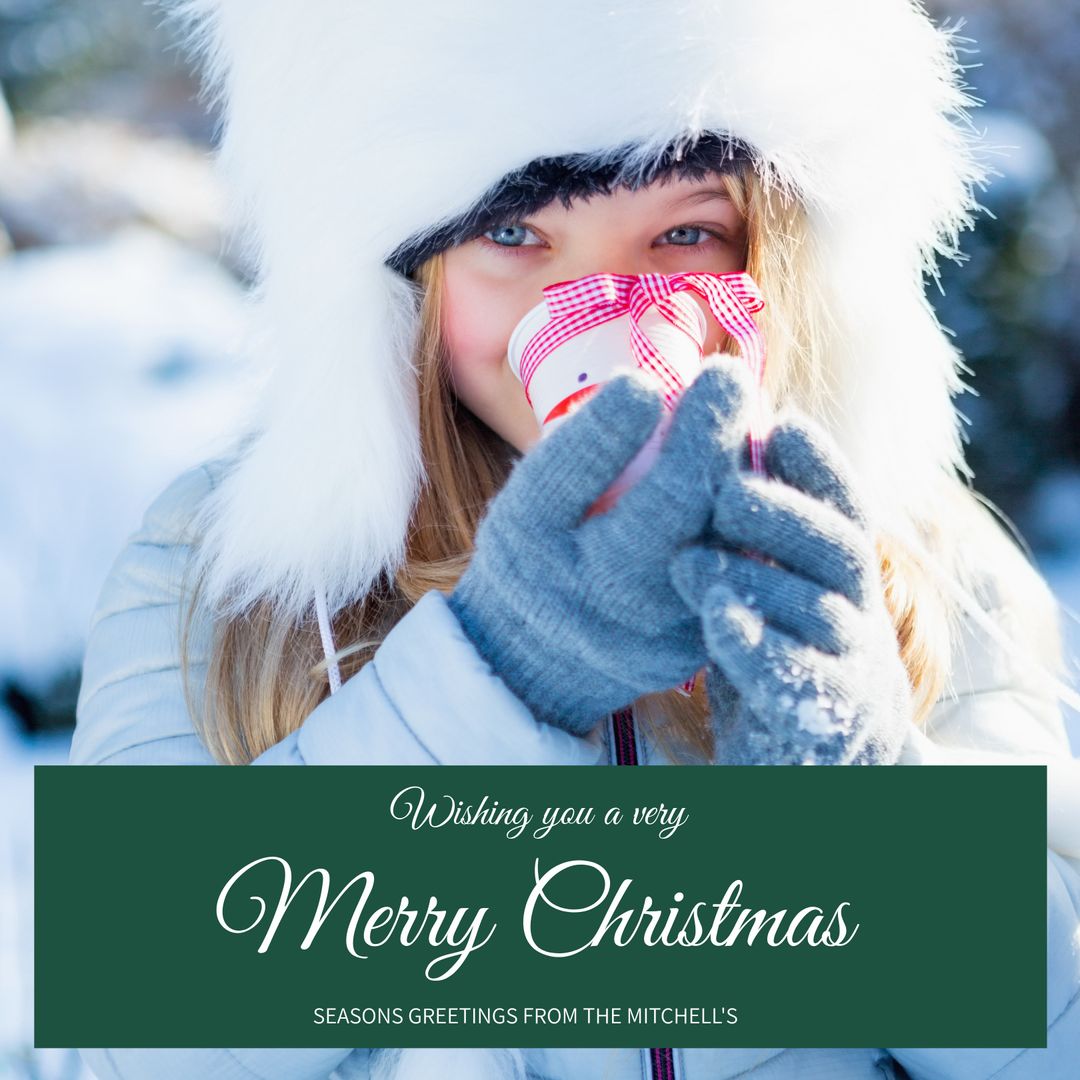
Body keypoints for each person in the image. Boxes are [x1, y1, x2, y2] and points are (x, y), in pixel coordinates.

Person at [70, 0, 1080, 1078]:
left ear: (770, 260)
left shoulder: (915, 567)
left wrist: (869, 816)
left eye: (685, 232)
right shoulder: (226, 572)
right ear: (403, 276)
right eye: (513, 232)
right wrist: (494, 677)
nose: (596, 306)